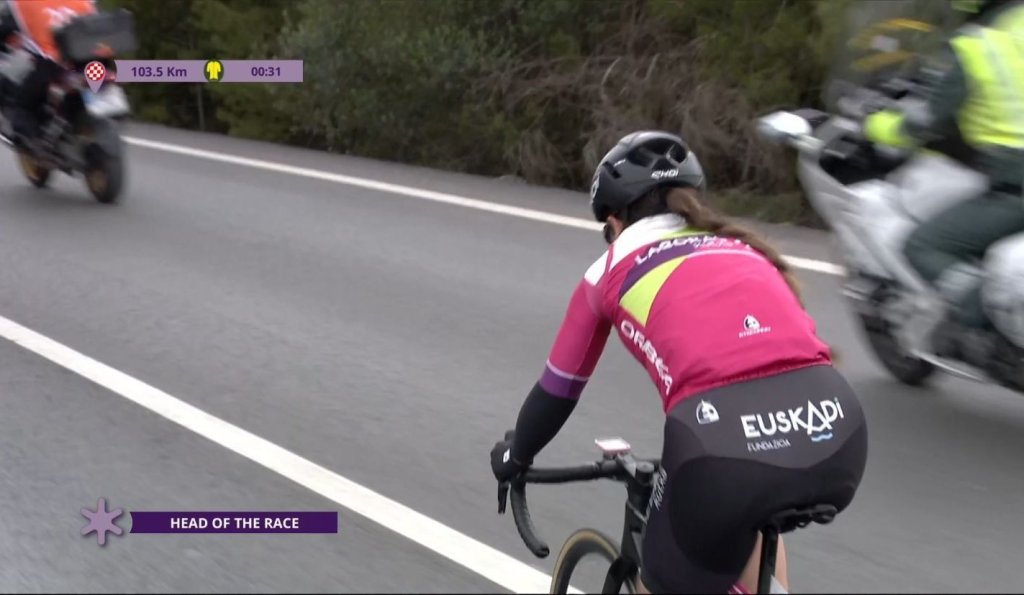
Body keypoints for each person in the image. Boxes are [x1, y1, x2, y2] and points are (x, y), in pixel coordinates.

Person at [489, 131, 869, 594]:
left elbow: (558, 389)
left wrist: (516, 455)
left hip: (722, 448)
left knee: (669, 570)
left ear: (614, 220)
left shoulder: (608, 269)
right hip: (838, 430)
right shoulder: (744, 249)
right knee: (752, 513)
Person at [862, 0, 1024, 359]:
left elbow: (922, 122)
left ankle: (980, 328)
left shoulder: (975, 47)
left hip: (1015, 185)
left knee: (923, 245)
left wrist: (873, 123)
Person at [0, 0, 97, 147]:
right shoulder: (84, 3)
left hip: (55, 64)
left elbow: (7, 29)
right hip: (91, 64)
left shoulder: (23, 4)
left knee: (24, 106)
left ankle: (33, 141)